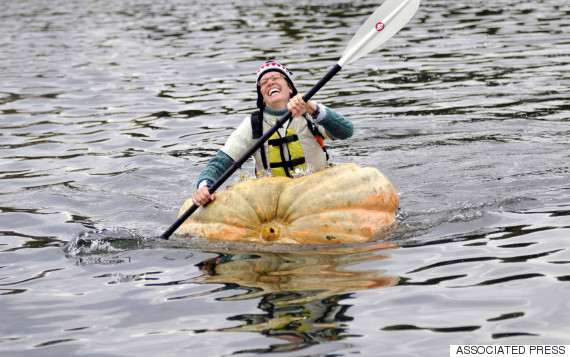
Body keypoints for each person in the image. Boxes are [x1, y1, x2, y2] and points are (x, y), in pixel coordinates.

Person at [191, 60, 354, 206]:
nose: (270, 82)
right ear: (262, 98)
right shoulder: (252, 125)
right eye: (263, 82)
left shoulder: (310, 112)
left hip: (317, 193)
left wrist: (312, 108)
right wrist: (204, 185)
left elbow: (346, 131)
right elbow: (221, 162)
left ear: (290, 87)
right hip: (273, 203)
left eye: (276, 77)